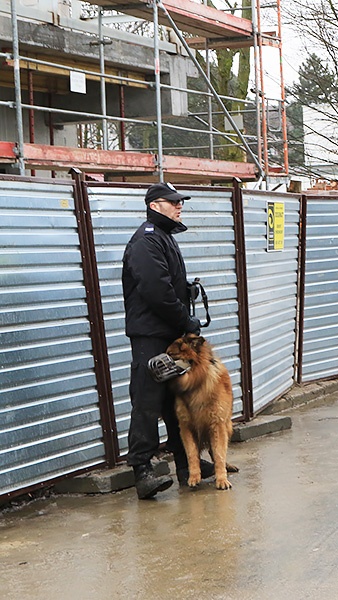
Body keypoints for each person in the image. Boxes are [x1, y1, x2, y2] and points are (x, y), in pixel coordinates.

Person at [123, 182, 209, 499]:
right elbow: (156, 291)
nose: (179, 206)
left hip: (167, 333)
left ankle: (189, 466)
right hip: (150, 335)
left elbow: (167, 284)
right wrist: (184, 319)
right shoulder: (146, 241)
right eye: (173, 202)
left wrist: (186, 291)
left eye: (179, 202)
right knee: (146, 403)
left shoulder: (163, 239)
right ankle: (142, 472)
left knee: (175, 403)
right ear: (154, 206)